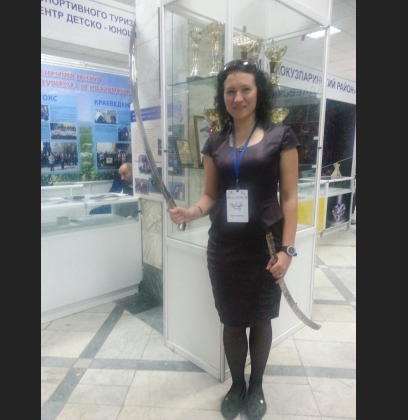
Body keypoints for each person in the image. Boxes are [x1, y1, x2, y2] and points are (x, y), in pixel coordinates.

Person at [167, 59, 299, 420]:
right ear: (222, 96)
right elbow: (211, 195)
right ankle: (237, 385)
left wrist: (287, 250)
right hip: (224, 248)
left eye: (245, 89)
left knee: (261, 318)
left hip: (266, 246)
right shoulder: (215, 142)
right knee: (232, 320)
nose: (238, 98)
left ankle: (256, 387)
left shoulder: (280, 136)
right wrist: (190, 212)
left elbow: (289, 198)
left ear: (259, 93)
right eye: (230, 91)